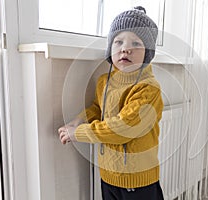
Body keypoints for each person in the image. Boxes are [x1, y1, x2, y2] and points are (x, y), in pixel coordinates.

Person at [58, 6, 164, 200]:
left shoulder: (148, 89)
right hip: (108, 174)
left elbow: (123, 127)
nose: (125, 48)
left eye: (136, 43)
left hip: (139, 180)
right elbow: (99, 108)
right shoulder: (104, 82)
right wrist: (79, 120)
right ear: (110, 49)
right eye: (118, 41)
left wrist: (79, 132)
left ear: (148, 53)